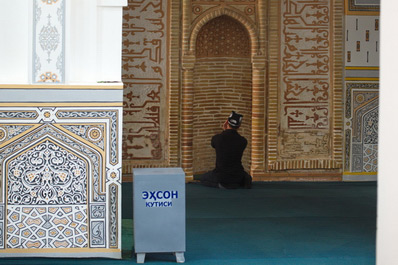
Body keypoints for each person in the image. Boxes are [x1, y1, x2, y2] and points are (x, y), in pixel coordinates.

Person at [200, 111, 252, 189]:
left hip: (221, 176)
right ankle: (239, 183)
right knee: (246, 176)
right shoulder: (243, 141)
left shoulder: (217, 138)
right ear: (239, 126)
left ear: (227, 122)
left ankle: (222, 184)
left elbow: (213, 144)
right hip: (237, 176)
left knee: (203, 178)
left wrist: (224, 131)